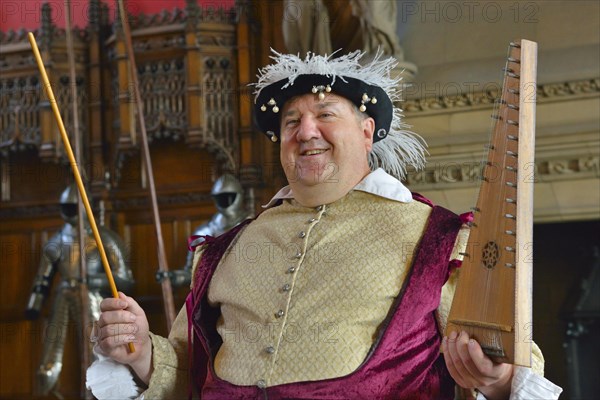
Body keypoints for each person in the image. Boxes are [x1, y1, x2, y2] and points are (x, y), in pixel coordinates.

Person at [87, 51, 562, 399]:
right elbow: (187, 367)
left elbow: (509, 361)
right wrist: (138, 352)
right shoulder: (226, 248)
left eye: (325, 115)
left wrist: (495, 379)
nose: (305, 131)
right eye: (291, 121)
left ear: (366, 130)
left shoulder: (436, 238)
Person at [26, 184, 135, 396]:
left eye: (73, 206)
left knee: (98, 353)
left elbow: (125, 279)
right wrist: (34, 305)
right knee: (50, 354)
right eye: (65, 207)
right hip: (63, 296)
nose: (69, 211)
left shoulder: (103, 238)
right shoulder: (56, 241)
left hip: (93, 298)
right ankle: (47, 390)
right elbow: (42, 280)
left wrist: (93, 280)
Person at [164, 174, 253, 289]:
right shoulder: (203, 233)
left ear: (240, 196)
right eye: (221, 197)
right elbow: (192, 273)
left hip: (247, 289)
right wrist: (174, 276)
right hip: (213, 293)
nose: (226, 201)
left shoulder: (253, 225)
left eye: (230, 197)